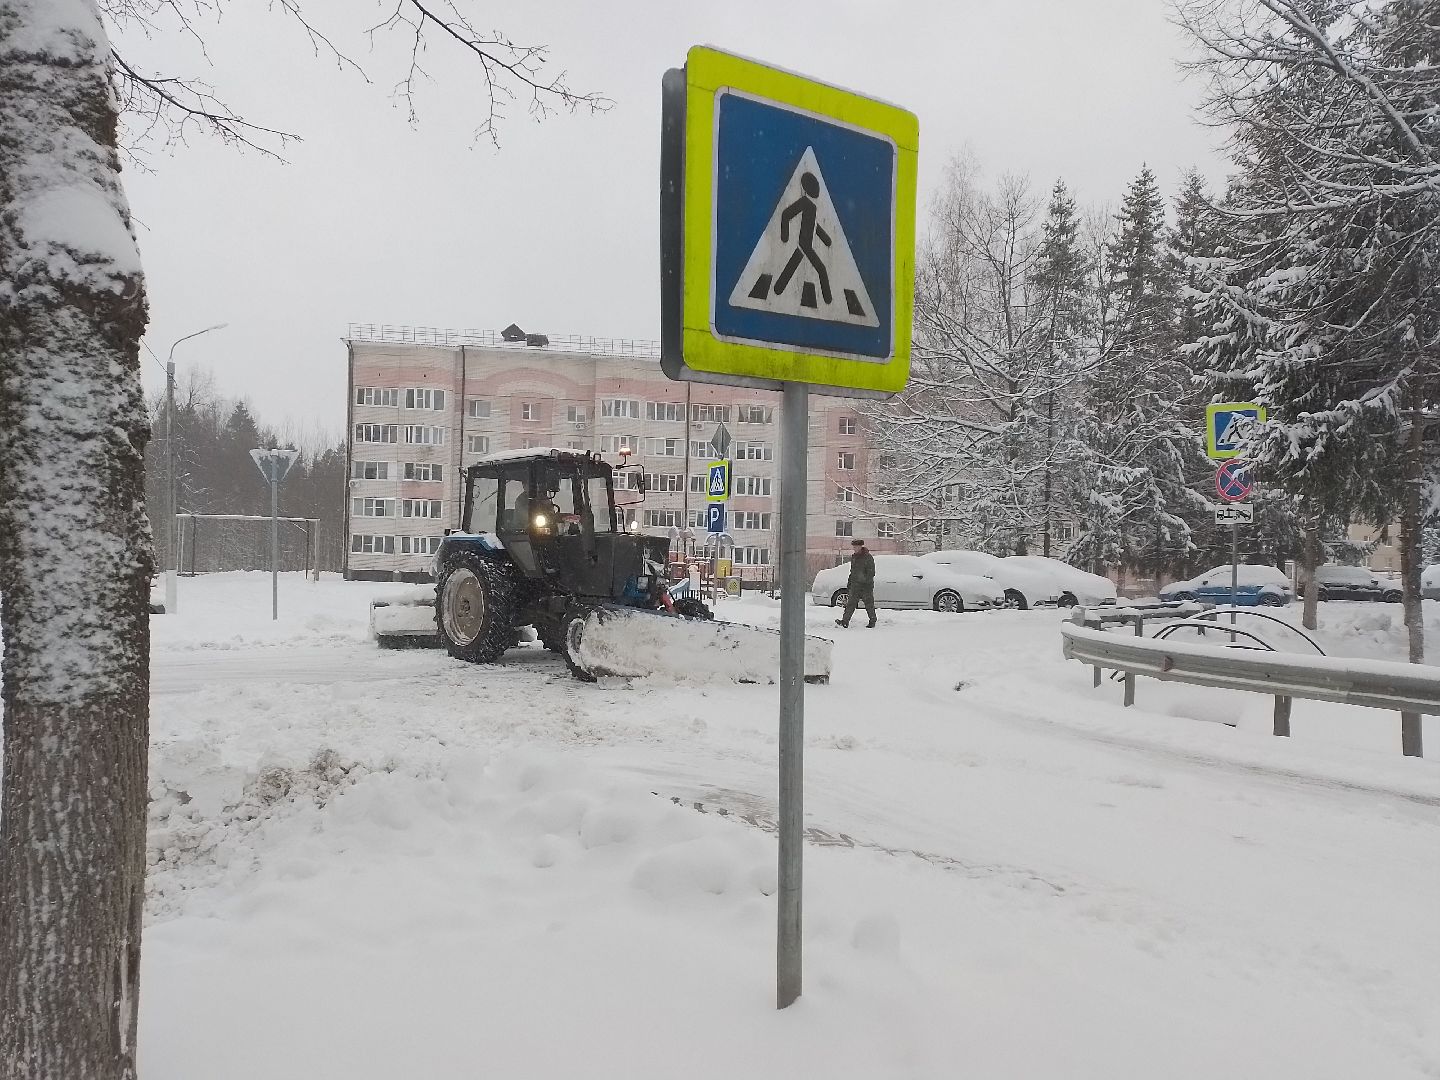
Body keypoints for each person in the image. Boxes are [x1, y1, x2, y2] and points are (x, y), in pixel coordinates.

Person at [836, 538, 876, 628]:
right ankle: (845, 621)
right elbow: (852, 571)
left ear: (860, 546)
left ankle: (872, 620)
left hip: (866, 586)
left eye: (856, 547)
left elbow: (871, 572)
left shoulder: (868, 557)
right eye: (853, 547)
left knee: (869, 604)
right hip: (855, 586)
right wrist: (850, 583)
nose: (854, 548)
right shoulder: (854, 557)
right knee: (850, 604)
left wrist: (864, 581)